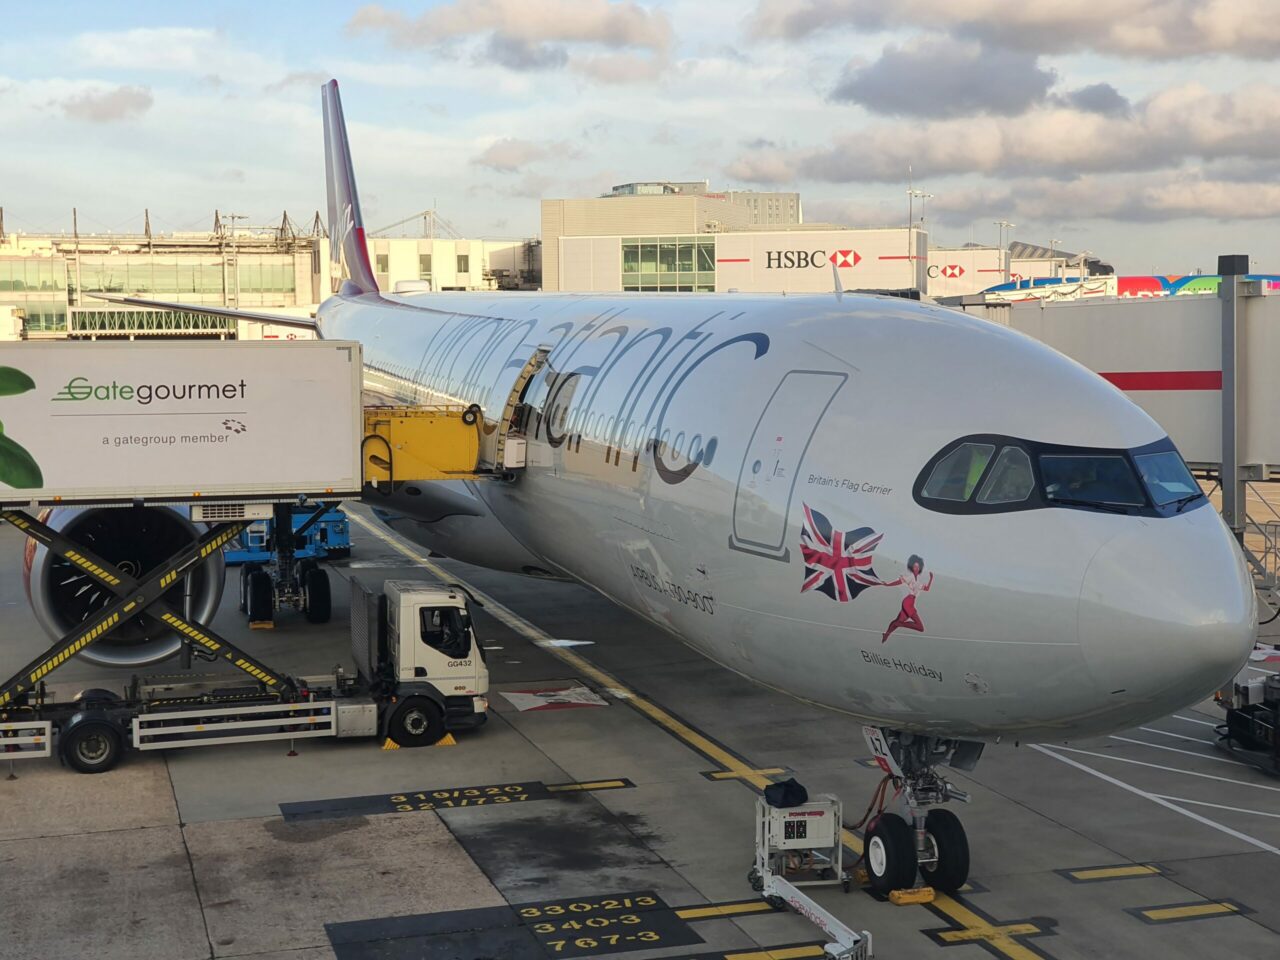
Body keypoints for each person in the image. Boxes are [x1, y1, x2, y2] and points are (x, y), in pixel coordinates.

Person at [882, 555, 933, 643]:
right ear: (912, 567)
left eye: (918, 567)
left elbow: (927, 589)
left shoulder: (918, 581)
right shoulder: (910, 577)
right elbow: (899, 581)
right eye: (914, 566)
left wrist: (931, 579)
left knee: (897, 621)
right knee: (920, 627)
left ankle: (886, 634)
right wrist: (887, 584)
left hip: (911, 602)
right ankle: (898, 624)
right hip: (908, 602)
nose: (916, 568)